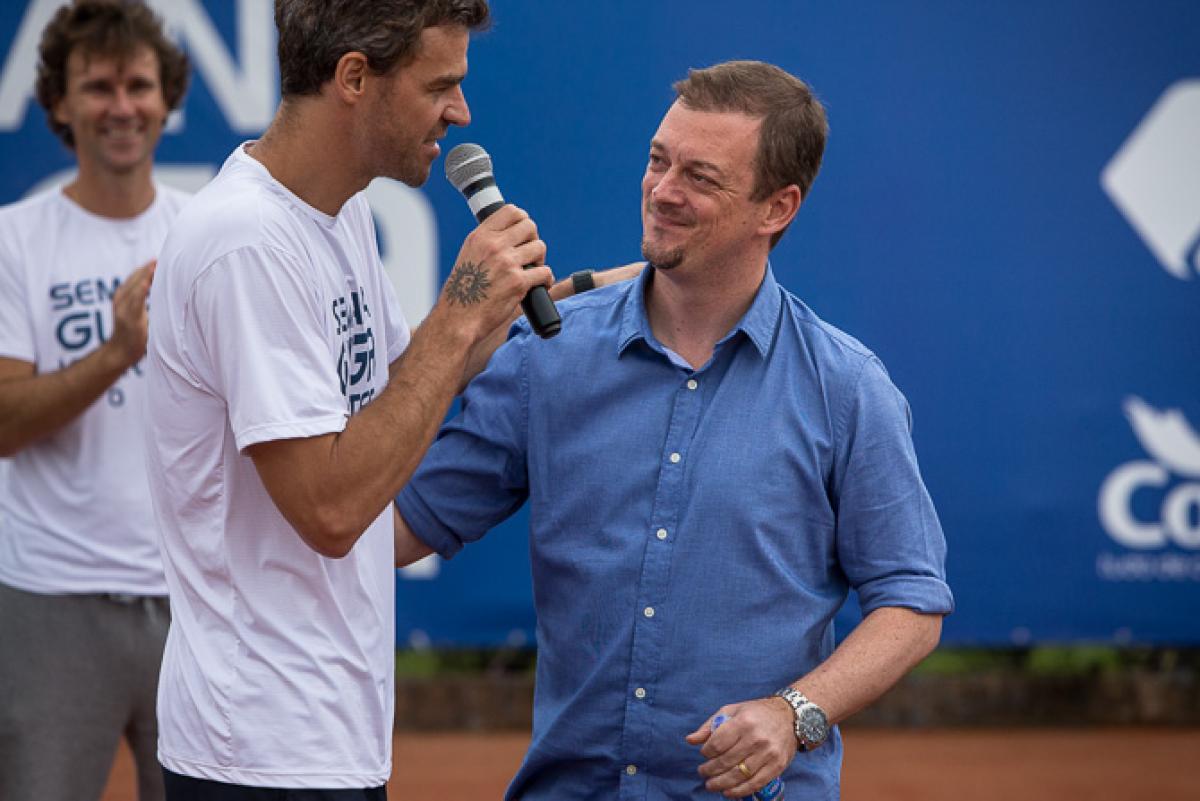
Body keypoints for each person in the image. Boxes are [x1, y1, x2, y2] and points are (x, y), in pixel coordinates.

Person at [394, 60, 955, 800]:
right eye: (658, 160)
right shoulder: (546, 357)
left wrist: (796, 714)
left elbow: (912, 604)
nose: (662, 191)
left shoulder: (847, 388)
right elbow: (393, 532)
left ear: (776, 207)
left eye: (700, 175)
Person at [141, 1, 641, 797]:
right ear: (353, 78)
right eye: (439, 84)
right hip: (260, 748)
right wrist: (457, 312)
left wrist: (600, 296)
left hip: (323, 732)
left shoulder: (332, 218)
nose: (461, 111)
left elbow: (395, 388)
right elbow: (332, 508)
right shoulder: (246, 241)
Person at [0, 2, 189, 799]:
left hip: (194, 599)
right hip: (50, 600)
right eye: (99, 86)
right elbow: (5, 423)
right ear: (59, 104)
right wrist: (115, 354)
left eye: (139, 84)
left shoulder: (203, 229)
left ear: (167, 98)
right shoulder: (15, 239)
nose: (122, 106)